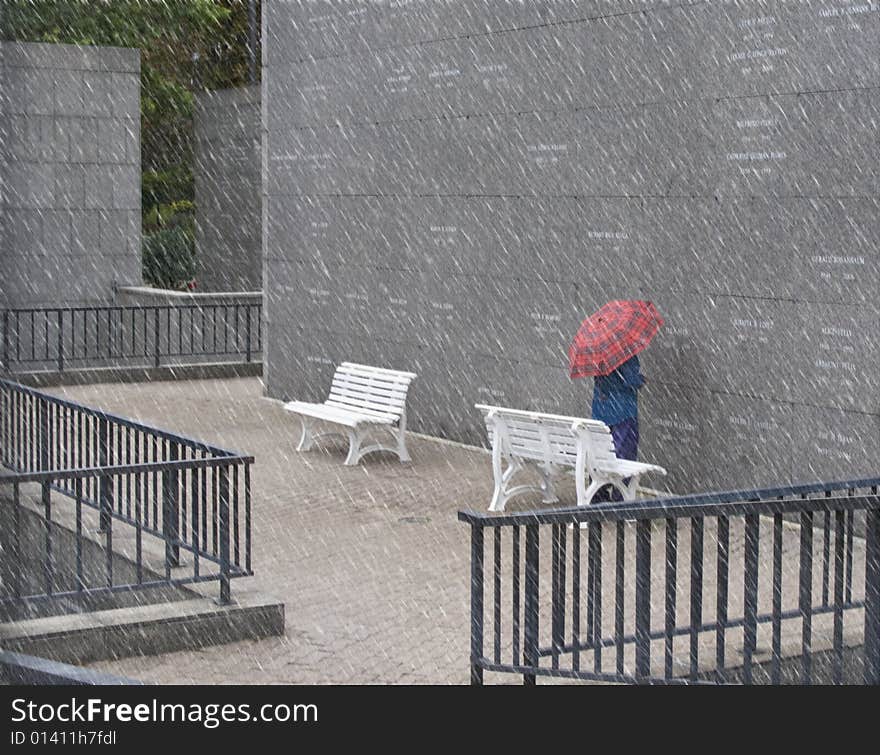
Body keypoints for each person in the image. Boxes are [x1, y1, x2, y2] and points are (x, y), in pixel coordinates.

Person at [591, 353, 645, 500]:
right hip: (623, 412)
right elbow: (630, 380)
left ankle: (598, 496)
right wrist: (641, 380)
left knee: (599, 454)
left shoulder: (596, 353)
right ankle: (620, 498)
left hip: (600, 410)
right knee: (624, 454)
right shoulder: (624, 353)